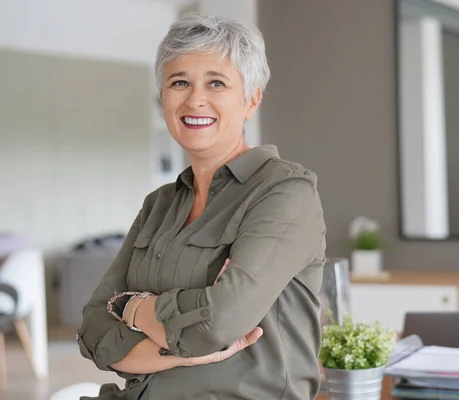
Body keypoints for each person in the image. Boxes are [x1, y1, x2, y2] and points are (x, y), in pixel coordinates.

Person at [77, 13, 326, 400]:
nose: (195, 99)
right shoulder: (158, 204)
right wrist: (182, 355)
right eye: (179, 82)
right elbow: (92, 328)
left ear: (251, 100)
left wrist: (130, 307)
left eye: (216, 83)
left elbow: (219, 323)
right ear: (163, 99)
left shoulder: (285, 192)